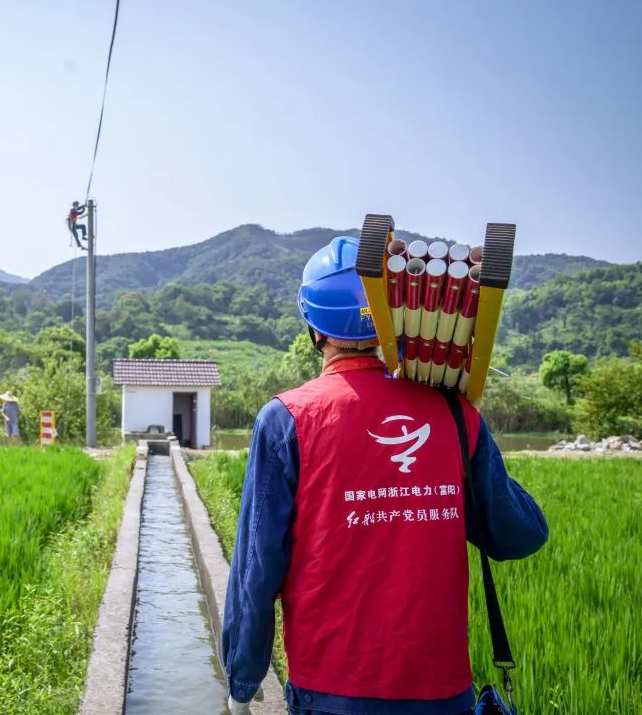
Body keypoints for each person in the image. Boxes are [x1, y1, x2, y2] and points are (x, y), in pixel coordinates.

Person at [222, 236, 549, 715]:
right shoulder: (453, 412)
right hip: (443, 696)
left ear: (313, 328)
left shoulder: (286, 419)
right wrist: (460, 443)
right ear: (391, 315)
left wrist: (241, 682)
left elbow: (256, 569)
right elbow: (522, 535)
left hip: (330, 693)